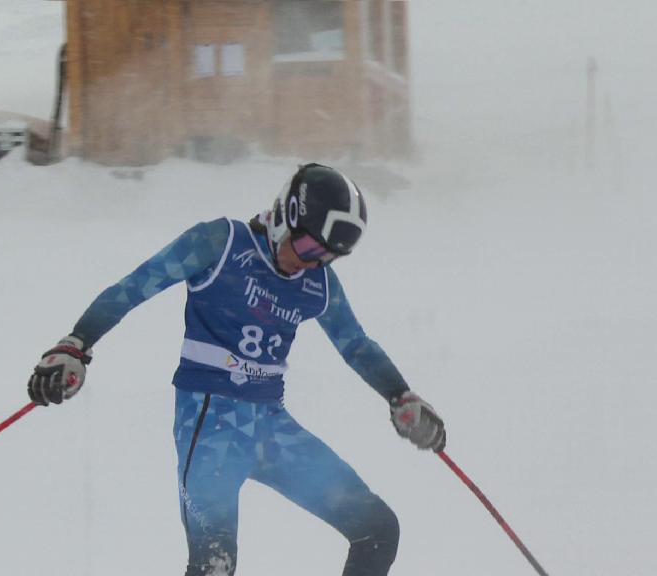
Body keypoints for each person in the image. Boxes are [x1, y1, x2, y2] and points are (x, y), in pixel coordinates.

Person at [26, 163, 446, 576]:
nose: (312, 265)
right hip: (210, 426)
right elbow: (132, 288)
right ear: (286, 216)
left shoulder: (318, 283)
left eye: (329, 258)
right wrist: (75, 346)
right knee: (215, 564)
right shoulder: (220, 242)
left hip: (270, 427)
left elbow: (355, 345)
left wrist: (400, 396)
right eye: (310, 249)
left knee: (377, 528)